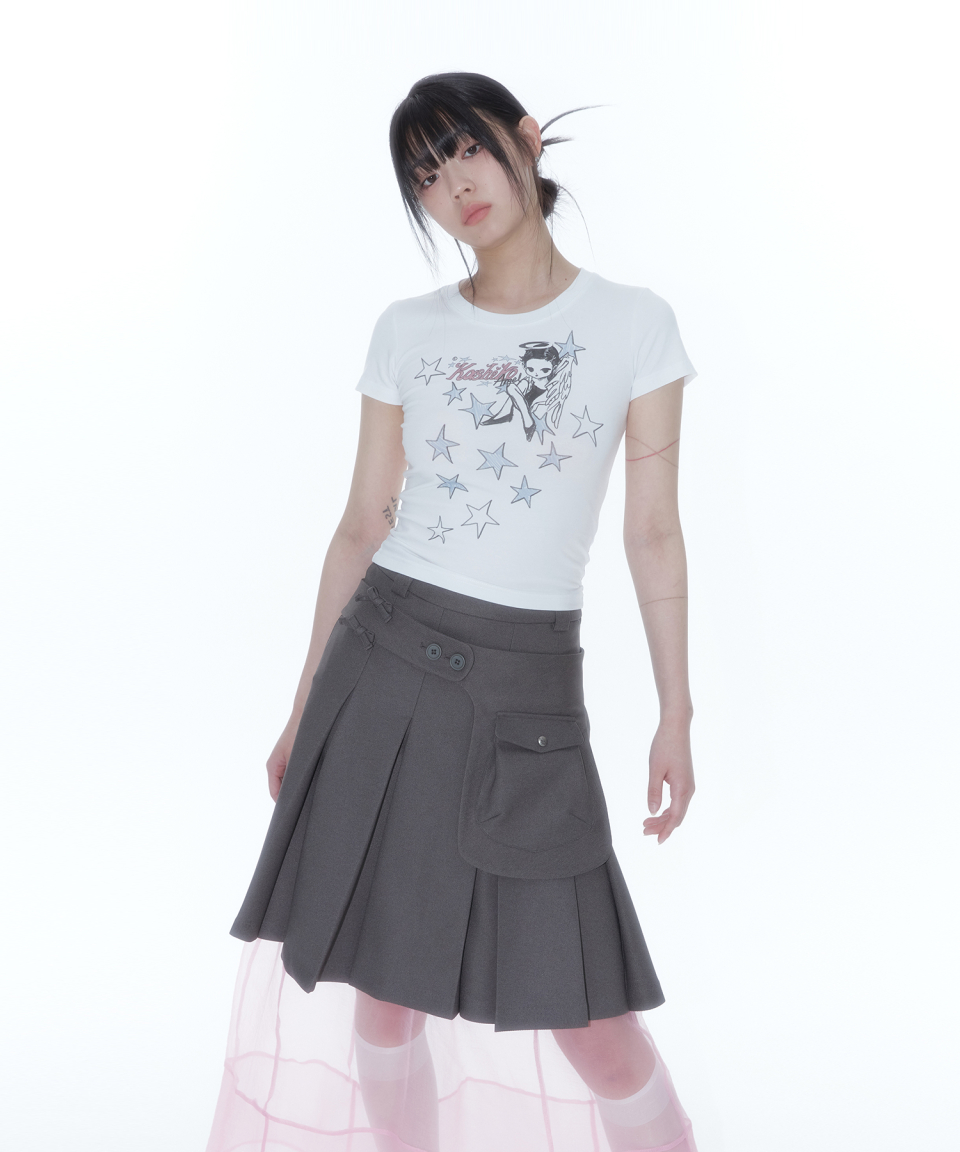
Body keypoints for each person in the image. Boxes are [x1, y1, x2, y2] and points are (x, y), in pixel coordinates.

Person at [206, 72, 700, 1152]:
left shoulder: (635, 323)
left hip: (528, 693)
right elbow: (361, 524)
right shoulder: (407, 330)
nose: (454, 185)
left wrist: (676, 712)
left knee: (599, 1029)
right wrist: (302, 707)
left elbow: (652, 532)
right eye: (426, 174)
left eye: (467, 149)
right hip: (381, 668)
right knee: (384, 998)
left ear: (524, 140)